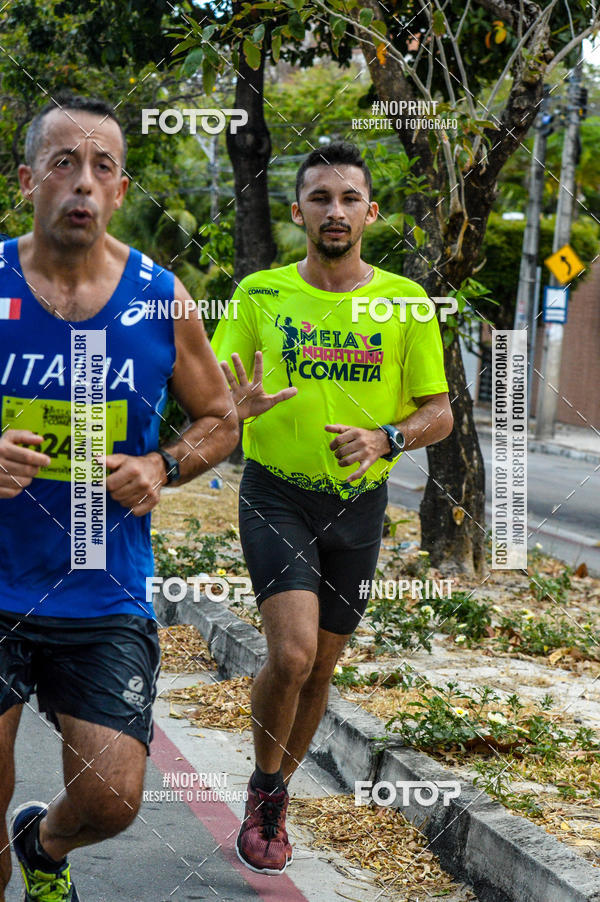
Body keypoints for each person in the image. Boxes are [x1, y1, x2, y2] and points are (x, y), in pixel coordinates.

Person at [0, 93, 238, 902]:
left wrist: (163, 466)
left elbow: (219, 420)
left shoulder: (160, 297)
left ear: (122, 189)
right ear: (28, 178)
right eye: (64, 163)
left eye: (103, 166)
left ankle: (44, 843)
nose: (83, 182)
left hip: (101, 585)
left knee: (112, 799)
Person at [211, 140, 454, 875]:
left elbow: (439, 412)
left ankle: (277, 792)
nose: (335, 210)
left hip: (359, 505)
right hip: (276, 492)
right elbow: (214, 393)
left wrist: (386, 437)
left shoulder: (405, 302)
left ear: (370, 213)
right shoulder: (260, 295)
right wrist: (233, 406)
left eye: (349, 198)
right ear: (298, 213)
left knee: (320, 669)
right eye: (320, 197)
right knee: (291, 654)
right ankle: (263, 787)